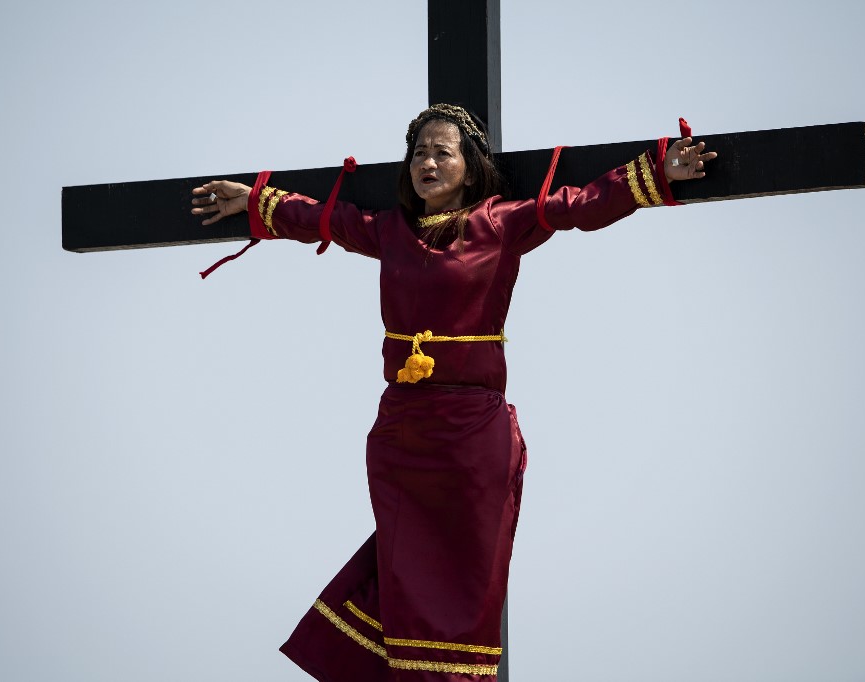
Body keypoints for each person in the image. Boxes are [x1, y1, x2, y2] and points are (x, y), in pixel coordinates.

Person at [190, 104, 716, 682]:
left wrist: (657, 172)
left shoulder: (504, 221)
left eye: (443, 152)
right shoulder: (387, 230)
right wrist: (256, 199)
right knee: (401, 569)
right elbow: (322, 219)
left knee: (464, 586)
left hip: (471, 436)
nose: (428, 162)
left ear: (469, 168)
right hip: (402, 435)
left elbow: (582, 205)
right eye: (419, 153)